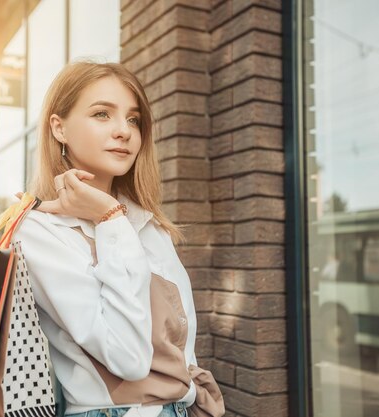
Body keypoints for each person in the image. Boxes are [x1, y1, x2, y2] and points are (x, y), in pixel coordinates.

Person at [13, 61, 224, 417]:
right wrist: (108, 218)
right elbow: (128, 358)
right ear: (59, 127)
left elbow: (182, 348)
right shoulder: (39, 233)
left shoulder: (146, 223)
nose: (123, 131)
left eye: (133, 119)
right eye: (101, 114)